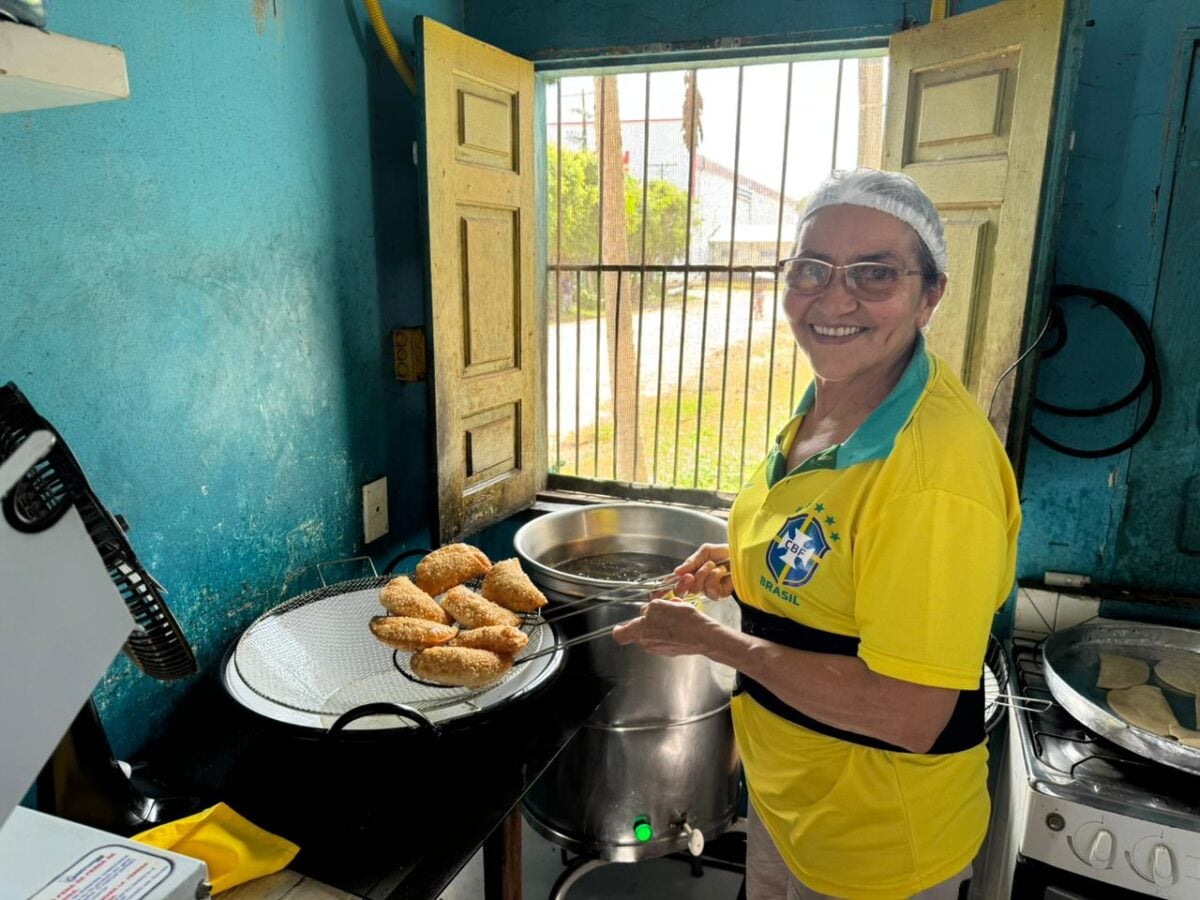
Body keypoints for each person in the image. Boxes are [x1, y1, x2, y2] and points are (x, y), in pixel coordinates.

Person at [613, 168, 1020, 900]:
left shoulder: (935, 475)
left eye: (875, 274)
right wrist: (747, 564)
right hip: (792, 802)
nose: (835, 299)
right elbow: (834, 552)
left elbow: (908, 711)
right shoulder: (830, 403)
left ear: (932, 295)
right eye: (811, 269)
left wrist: (712, 640)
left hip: (876, 845)